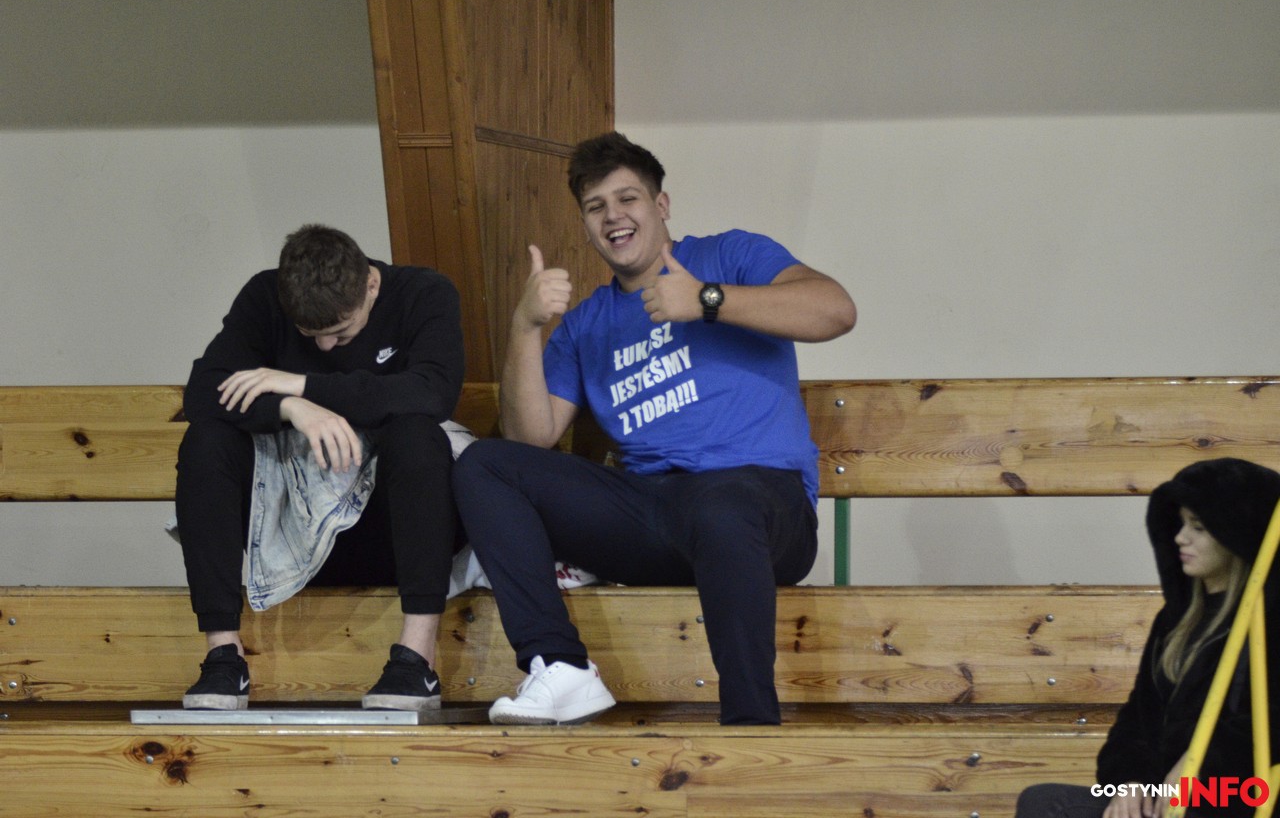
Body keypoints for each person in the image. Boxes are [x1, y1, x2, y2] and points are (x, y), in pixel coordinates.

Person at [452, 132, 857, 726]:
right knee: (485, 464)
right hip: (655, 513)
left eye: (627, 199)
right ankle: (560, 666)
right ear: (587, 226)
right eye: (596, 207)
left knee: (722, 506)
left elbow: (836, 310)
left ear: (660, 205)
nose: (613, 216)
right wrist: (525, 326)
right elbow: (531, 436)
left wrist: (707, 300)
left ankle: (751, 727)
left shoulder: (729, 255)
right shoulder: (586, 324)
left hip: (766, 510)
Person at [175, 224, 464, 711]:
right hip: (291, 530)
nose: (327, 347)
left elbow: (432, 392)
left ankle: (418, 658)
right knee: (207, 440)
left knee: (418, 435)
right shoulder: (264, 296)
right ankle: (223, 657)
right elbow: (204, 392)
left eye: (341, 333)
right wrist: (291, 408)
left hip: (391, 532)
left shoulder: (423, 292)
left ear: (371, 285)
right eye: (312, 337)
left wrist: (303, 385)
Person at [1016, 457, 1280, 818]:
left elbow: (1271, 722)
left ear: (1236, 537)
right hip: (1167, 795)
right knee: (1044, 802)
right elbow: (1138, 718)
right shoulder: (1177, 619)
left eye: (1199, 527)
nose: (1180, 537)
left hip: (1237, 795)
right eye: (1181, 523)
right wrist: (1130, 781)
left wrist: (1199, 766)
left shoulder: (1269, 620)